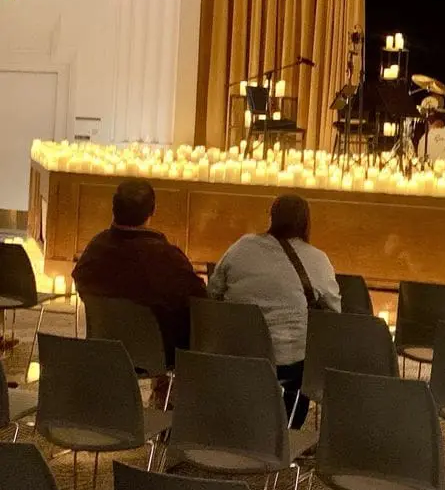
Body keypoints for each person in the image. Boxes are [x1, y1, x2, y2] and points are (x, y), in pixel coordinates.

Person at [208, 194, 341, 429]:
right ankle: (286, 431)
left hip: (236, 351)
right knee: (306, 365)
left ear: (271, 217)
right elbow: (334, 311)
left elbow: (213, 292)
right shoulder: (317, 260)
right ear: (307, 223)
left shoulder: (241, 247)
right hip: (287, 360)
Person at [73, 179, 207, 404]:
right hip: (159, 354)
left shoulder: (96, 248)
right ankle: (169, 399)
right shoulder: (165, 257)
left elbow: (81, 281)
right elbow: (199, 300)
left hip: (105, 346)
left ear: (114, 209)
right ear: (151, 211)